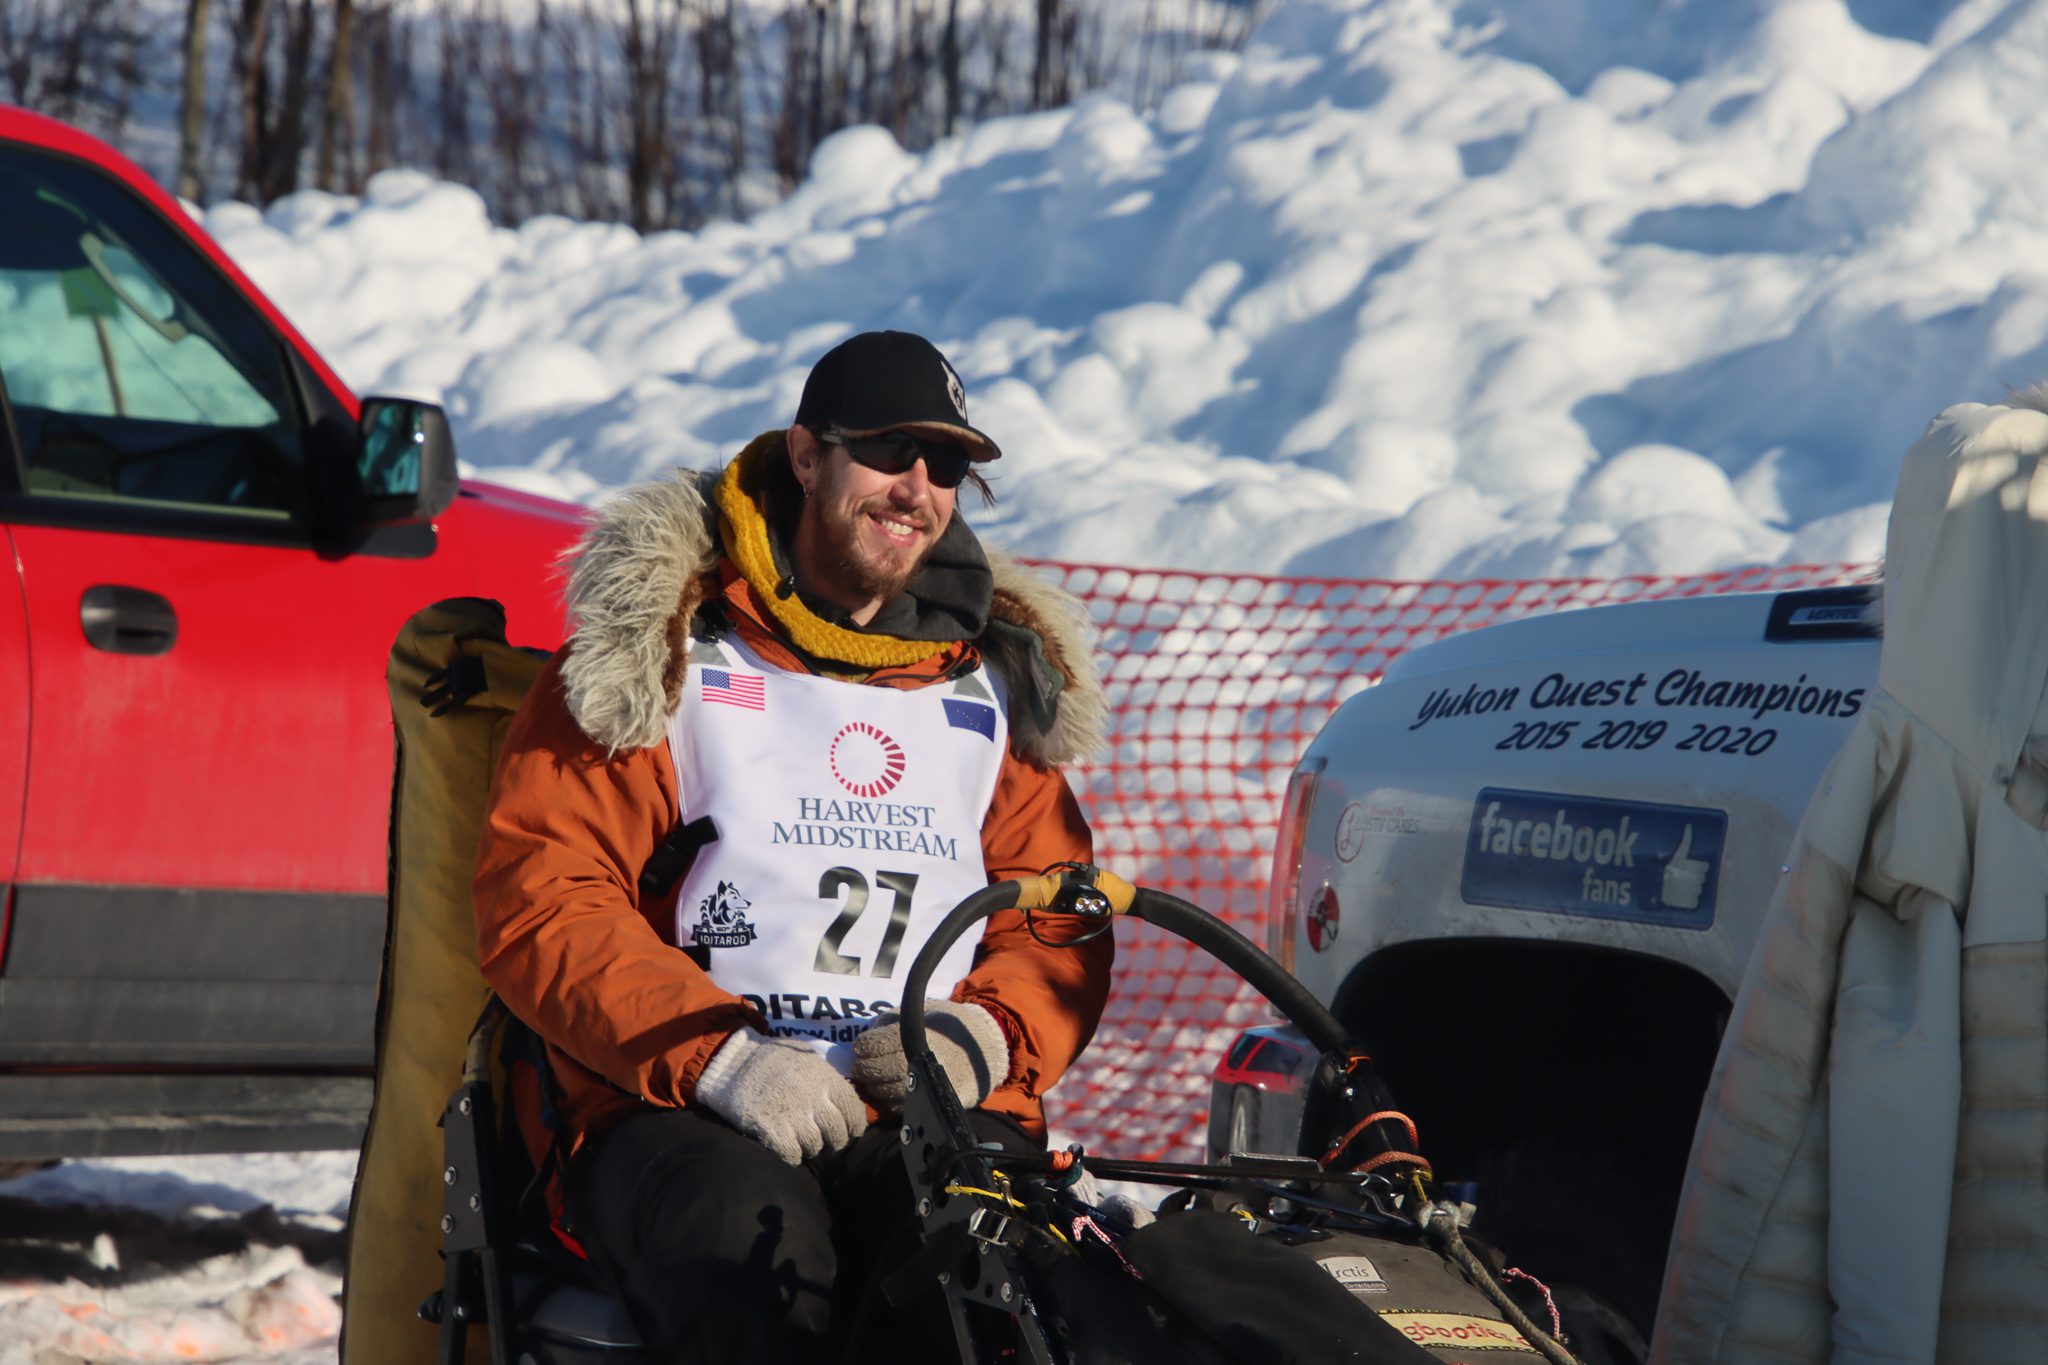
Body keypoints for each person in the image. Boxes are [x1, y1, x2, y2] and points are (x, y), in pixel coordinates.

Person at [472, 330, 1113, 1363]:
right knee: (755, 1269)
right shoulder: (665, 649)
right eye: (887, 451)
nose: (916, 486)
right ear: (806, 455)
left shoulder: (989, 684)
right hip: (682, 1104)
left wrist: (985, 1039)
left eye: (945, 465)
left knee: (997, 1281)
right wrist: (718, 1060)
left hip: (916, 1106)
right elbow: (545, 899)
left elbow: (1056, 920)